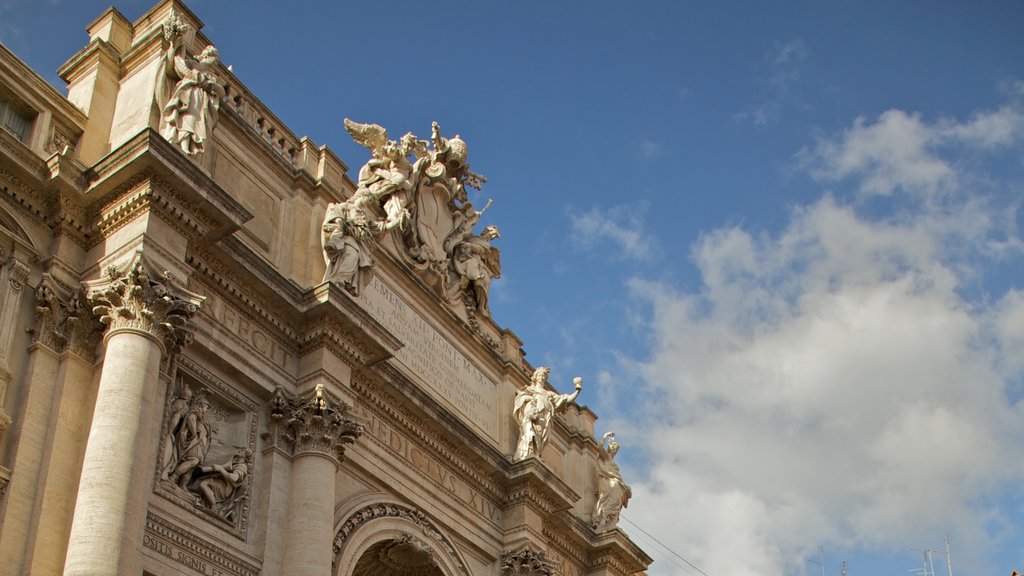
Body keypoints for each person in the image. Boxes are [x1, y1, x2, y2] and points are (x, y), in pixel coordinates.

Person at [160, 42, 226, 156]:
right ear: (207, 56)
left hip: (202, 102)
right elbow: (179, 65)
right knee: (187, 119)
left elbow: (221, 91)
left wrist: (208, 84)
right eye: (215, 59)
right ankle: (184, 145)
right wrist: (176, 44)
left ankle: (189, 146)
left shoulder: (211, 76)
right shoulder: (193, 65)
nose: (216, 63)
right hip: (189, 95)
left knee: (197, 123)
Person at [512, 368, 582, 461]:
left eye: (543, 376)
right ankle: (526, 453)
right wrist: (531, 399)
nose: (542, 377)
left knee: (541, 439)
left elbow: (565, 399)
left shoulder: (549, 394)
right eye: (540, 375)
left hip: (543, 420)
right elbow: (520, 398)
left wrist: (577, 390)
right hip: (531, 417)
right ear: (536, 377)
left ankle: (536, 454)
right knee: (529, 434)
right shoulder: (529, 389)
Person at [322, 211, 374, 296]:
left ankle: (341, 280)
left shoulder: (366, 219)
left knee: (353, 256)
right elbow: (334, 212)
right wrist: (339, 220)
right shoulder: (345, 208)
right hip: (346, 240)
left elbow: (379, 230)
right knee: (352, 255)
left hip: (355, 244)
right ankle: (338, 279)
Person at [194, 449, 250, 520]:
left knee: (204, 484)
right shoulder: (234, 461)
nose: (240, 450)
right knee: (201, 483)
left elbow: (234, 478)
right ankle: (209, 503)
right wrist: (204, 469)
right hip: (221, 482)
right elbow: (223, 467)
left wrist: (221, 469)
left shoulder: (242, 467)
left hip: (226, 488)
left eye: (243, 450)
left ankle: (213, 506)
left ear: (245, 456)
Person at [592, 432, 632, 530]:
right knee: (613, 500)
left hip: (617, 482)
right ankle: (602, 519)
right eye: (614, 447)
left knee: (617, 502)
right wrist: (605, 436)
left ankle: (609, 521)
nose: (615, 450)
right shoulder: (606, 456)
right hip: (611, 483)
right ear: (610, 448)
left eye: (616, 449)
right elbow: (599, 447)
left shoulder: (612, 460)